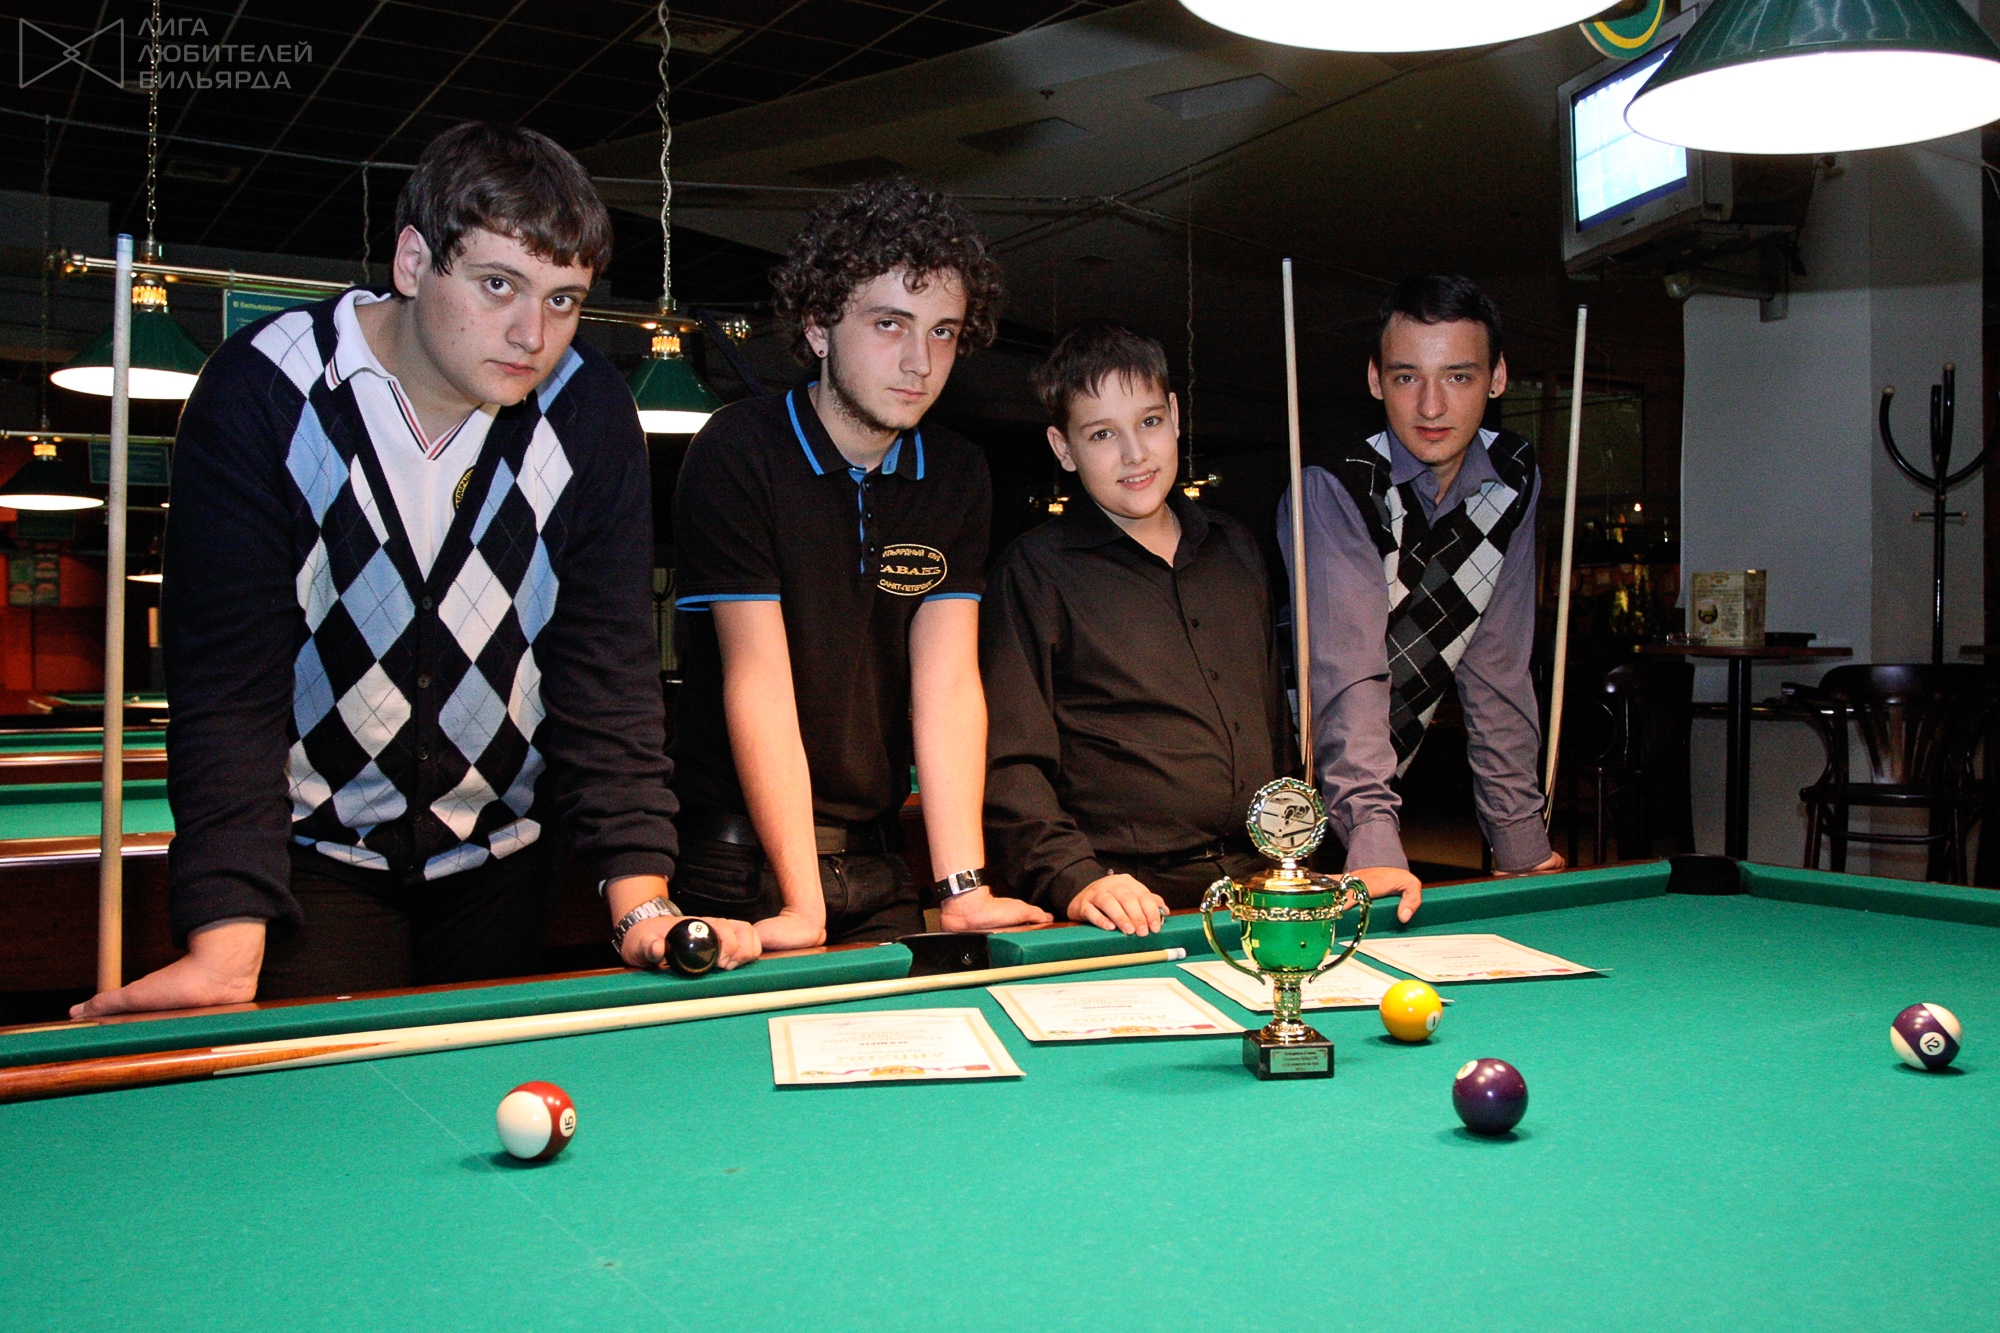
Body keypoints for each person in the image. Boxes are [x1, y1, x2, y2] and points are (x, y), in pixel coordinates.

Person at [75, 122, 759, 1020]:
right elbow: (228, 688)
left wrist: (640, 899)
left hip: (507, 859)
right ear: (411, 261)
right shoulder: (264, 390)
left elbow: (606, 667)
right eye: (498, 284)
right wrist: (226, 937)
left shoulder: (587, 408)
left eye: (563, 300)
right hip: (315, 862)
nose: (533, 334)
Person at [668, 178, 1051, 947]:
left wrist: (962, 888)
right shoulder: (739, 450)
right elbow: (758, 681)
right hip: (740, 865)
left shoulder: (956, 472)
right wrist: (802, 904)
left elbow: (947, 686)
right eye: (889, 324)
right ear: (818, 326)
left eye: (943, 332)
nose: (919, 361)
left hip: (878, 863)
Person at [983, 320, 1415, 935]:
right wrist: (1074, 877)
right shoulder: (1030, 573)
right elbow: (1009, 763)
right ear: (1063, 448)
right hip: (1123, 900)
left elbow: (1274, 728)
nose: (1135, 454)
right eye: (1103, 433)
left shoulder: (1236, 548)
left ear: (1176, 416)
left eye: (1149, 422)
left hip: (1260, 883)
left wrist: (1304, 863)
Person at [1279, 274, 1564, 905]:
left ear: (1496, 378)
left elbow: (1497, 671)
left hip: (1374, 783)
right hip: (1282, 785)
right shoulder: (1337, 483)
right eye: (1407, 377)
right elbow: (1349, 675)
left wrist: (1521, 845)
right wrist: (1375, 840)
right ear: (1376, 379)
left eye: (1458, 377)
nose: (1431, 407)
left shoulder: (1515, 478)